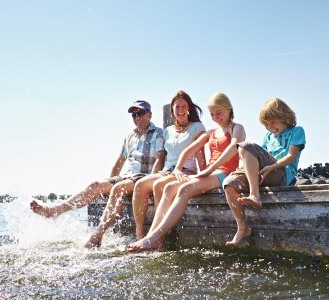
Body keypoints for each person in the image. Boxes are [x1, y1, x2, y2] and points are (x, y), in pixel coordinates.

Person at [30, 100, 165, 246]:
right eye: (134, 114)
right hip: (127, 177)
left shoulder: (158, 133)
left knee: (118, 189)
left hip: (144, 177)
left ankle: (97, 236)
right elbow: (119, 163)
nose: (137, 117)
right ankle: (54, 211)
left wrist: (150, 182)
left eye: (141, 113)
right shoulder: (130, 137)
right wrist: (108, 183)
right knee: (95, 185)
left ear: (150, 115)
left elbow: (160, 159)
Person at [127, 92, 246, 252]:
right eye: (212, 114)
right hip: (211, 173)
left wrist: (209, 169)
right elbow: (188, 150)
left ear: (229, 109)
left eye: (219, 113)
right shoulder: (210, 132)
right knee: (169, 188)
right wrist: (177, 168)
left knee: (184, 189)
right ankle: (152, 238)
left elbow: (233, 148)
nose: (216, 117)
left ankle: (153, 239)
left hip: (225, 173)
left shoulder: (237, 128)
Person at [222, 97, 306, 246]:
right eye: (266, 124)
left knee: (245, 145)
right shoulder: (268, 136)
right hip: (266, 172)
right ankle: (242, 228)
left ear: (284, 117)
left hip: (283, 174)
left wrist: (271, 167)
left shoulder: (297, 131)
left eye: (273, 121)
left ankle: (255, 195)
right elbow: (256, 157)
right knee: (229, 183)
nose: (269, 126)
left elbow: (291, 157)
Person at [131, 91, 206, 240]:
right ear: (172, 109)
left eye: (184, 106)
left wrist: (203, 176)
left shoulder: (197, 127)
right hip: (167, 171)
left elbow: (200, 155)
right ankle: (140, 233)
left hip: (186, 172)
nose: (181, 110)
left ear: (189, 108)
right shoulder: (167, 131)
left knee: (160, 185)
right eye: (177, 107)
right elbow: (164, 156)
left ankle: (159, 237)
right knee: (140, 185)